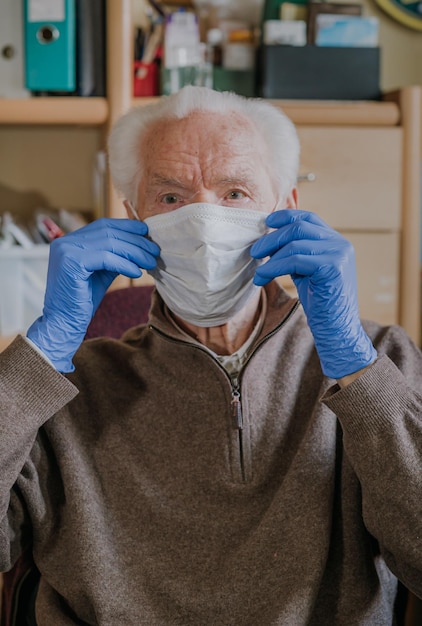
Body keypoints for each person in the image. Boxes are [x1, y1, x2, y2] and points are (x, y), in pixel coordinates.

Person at [0, 85, 421, 626]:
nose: (203, 224)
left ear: (287, 209)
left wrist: (357, 372)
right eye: (171, 198)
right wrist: (41, 351)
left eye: (235, 193)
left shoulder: (380, 361)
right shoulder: (68, 387)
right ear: (132, 218)